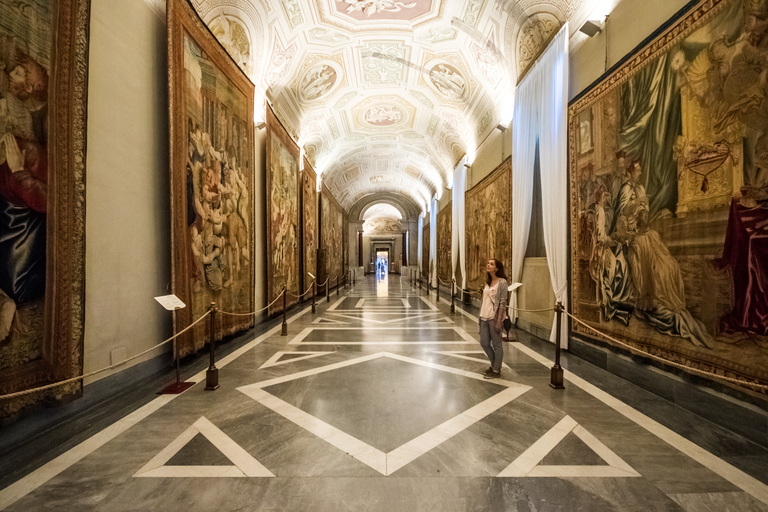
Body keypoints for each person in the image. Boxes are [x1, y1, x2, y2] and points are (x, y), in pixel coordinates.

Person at [478, 259, 508, 379]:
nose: (488, 265)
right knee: (484, 343)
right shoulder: (488, 282)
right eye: (488, 263)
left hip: (494, 317)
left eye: (491, 264)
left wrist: (499, 320)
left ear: (497, 268)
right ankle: (495, 365)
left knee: (497, 344)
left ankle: (496, 370)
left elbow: (502, 302)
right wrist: (479, 317)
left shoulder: (502, 282)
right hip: (484, 316)